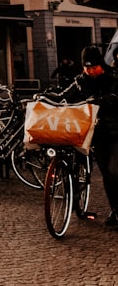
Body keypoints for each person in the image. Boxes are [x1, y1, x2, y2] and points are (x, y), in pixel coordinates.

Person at [62, 45, 118, 226]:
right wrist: (44, 98)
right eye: (87, 68)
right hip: (98, 135)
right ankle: (115, 210)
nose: (91, 71)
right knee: (107, 174)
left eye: (94, 67)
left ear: (101, 64)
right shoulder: (80, 81)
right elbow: (65, 96)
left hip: (116, 132)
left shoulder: (113, 77)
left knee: (114, 170)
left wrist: (103, 100)